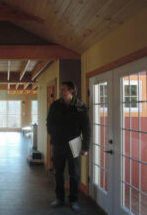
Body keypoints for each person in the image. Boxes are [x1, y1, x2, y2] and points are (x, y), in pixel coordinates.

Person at [47, 81, 91, 213]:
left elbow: (87, 128)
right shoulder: (55, 105)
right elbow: (49, 122)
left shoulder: (80, 106)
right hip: (59, 143)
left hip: (75, 144)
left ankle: (74, 200)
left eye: (64, 89)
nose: (61, 92)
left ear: (72, 90)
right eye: (61, 89)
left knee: (74, 174)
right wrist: (53, 134)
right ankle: (59, 198)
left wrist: (85, 147)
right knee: (58, 173)